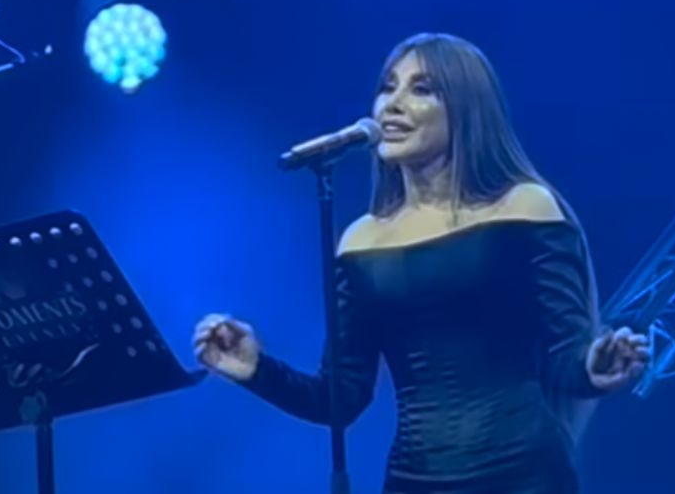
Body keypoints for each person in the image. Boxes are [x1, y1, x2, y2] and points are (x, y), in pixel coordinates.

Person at [193, 32, 649, 493]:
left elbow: (565, 360)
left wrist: (595, 367)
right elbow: (340, 398)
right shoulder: (362, 240)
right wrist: (256, 368)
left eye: (421, 89)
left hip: (524, 476)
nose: (392, 104)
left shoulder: (525, 207)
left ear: (466, 109)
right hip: (414, 480)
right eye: (387, 87)